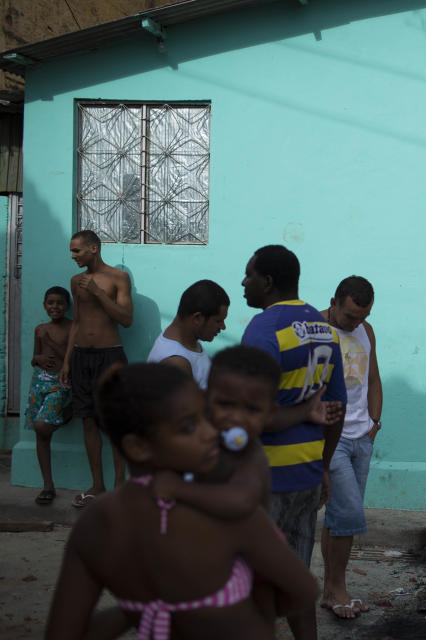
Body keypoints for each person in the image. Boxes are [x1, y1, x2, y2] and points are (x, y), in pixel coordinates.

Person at [44, 363, 320, 640]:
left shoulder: (95, 523)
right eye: (189, 427)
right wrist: (257, 609)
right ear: (138, 447)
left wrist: (136, 610)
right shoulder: (226, 513)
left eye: (205, 417)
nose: (210, 432)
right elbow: (304, 591)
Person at [240, 245, 347, 640]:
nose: (243, 283)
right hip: (305, 473)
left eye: (248, 275)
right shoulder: (322, 327)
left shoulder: (263, 330)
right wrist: (322, 465)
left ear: (266, 282)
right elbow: (337, 405)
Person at [319, 276, 381, 619]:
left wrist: (375, 423)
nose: (356, 324)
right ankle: (339, 590)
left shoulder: (366, 330)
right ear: (333, 303)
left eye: (363, 316)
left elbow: (373, 378)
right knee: (351, 515)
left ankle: (330, 589)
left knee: (339, 517)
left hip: (362, 436)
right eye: (350, 317)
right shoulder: (315, 328)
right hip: (333, 438)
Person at [59, 230, 134, 508]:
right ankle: (98, 486)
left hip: (110, 357)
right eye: (71, 251)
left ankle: (119, 487)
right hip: (81, 358)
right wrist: (67, 360)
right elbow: (76, 322)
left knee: (113, 423)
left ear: (93, 249)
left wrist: (98, 293)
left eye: (77, 251)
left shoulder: (118, 278)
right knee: (87, 421)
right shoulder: (74, 281)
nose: (73, 256)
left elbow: (126, 319)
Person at [27, 286, 73, 506]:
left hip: (60, 382)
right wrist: (40, 360)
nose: (55, 307)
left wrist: (53, 344)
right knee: (40, 432)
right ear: (44, 305)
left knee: (42, 426)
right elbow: (33, 358)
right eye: (50, 303)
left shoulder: (72, 328)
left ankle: (65, 415)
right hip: (38, 381)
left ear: (67, 306)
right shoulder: (39, 329)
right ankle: (47, 485)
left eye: (60, 303)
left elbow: (72, 358)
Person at [147, 279, 229, 388]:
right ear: (197, 318)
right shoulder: (177, 363)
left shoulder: (187, 341)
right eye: (218, 321)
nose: (223, 327)